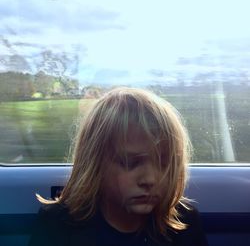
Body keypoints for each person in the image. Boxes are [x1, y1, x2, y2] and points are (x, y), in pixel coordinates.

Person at [28, 87, 208, 246]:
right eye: (131, 162)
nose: (150, 179)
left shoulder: (183, 222)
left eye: (164, 162)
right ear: (95, 163)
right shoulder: (58, 224)